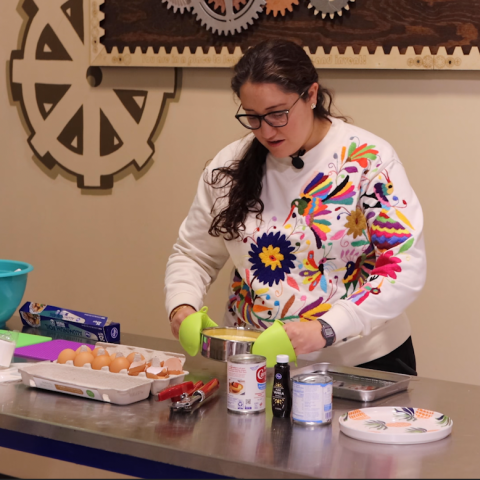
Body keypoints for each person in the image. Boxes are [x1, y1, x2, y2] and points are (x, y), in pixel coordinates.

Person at [165, 39, 426, 375]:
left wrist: (327, 327)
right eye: (253, 117)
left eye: (278, 114)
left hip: (362, 362)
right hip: (256, 362)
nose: (266, 130)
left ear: (312, 95)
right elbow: (194, 253)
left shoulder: (368, 160)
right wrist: (181, 305)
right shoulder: (229, 166)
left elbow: (402, 266)